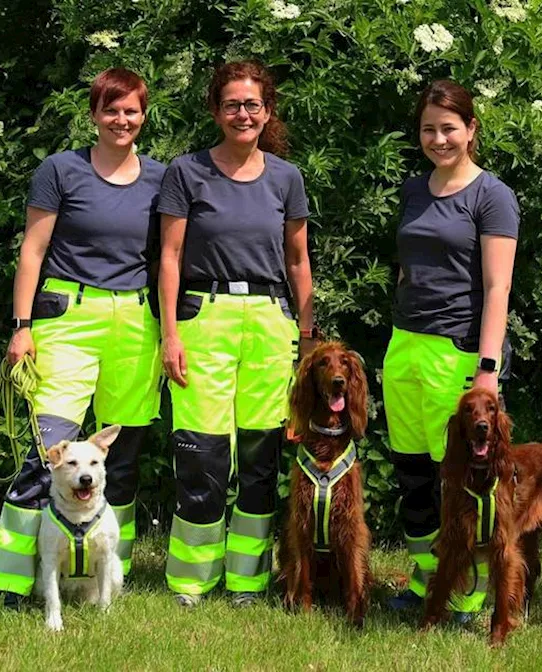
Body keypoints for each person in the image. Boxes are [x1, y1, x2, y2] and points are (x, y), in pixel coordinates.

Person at [0, 67, 164, 606]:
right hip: (67, 319)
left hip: (136, 326)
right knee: (47, 455)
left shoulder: (161, 178)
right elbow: (32, 252)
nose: (121, 119)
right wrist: (22, 327)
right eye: (111, 109)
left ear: (143, 116)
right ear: (93, 114)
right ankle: (11, 582)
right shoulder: (60, 170)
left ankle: (107, 583)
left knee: (120, 462)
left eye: (131, 110)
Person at [157, 60, 315, 607]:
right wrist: (170, 333)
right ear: (215, 110)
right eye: (232, 104)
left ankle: (247, 580)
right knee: (202, 454)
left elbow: (298, 262)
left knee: (259, 458)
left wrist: (308, 336)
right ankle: (191, 580)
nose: (242, 113)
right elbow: (170, 257)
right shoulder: (186, 172)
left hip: (272, 324)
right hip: (204, 317)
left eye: (252, 104)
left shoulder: (286, 178)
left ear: (267, 111)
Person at [383, 80, 519, 620]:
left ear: (471, 130)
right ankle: (426, 581)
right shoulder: (414, 190)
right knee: (413, 472)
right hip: (405, 347)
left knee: (463, 481)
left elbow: (498, 288)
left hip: (458, 354)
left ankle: (468, 592)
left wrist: (486, 369)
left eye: (449, 128)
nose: (438, 139)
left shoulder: (492, 196)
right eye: (428, 129)